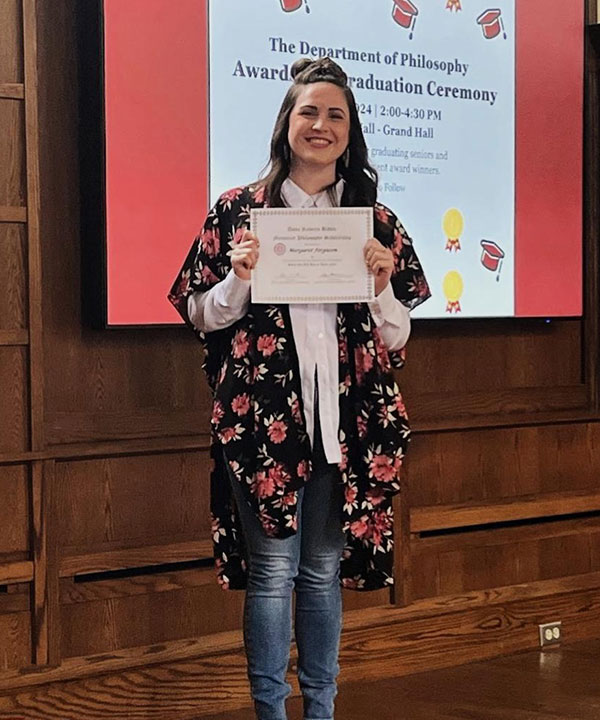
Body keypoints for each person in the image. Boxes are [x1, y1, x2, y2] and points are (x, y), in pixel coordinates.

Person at [168, 57, 430, 720]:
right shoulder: (236, 212)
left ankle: (321, 709)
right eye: (309, 112)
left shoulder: (376, 222)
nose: (321, 125)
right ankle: (270, 713)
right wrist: (240, 278)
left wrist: (379, 288)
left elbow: (395, 337)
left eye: (336, 115)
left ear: (351, 132)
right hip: (261, 423)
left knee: (319, 575)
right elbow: (200, 314)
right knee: (273, 575)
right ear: (287, 123)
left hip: (348, 424)